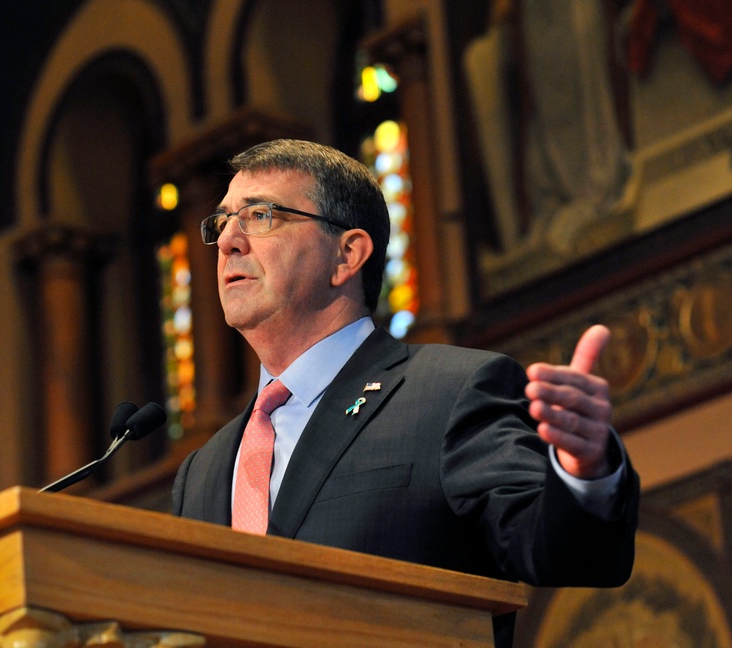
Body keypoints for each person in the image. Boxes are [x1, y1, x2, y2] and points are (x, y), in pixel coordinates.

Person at [171, 139, 639, 647]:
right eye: (221, 223)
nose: (229, 241)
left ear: (347, 254)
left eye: (261, 216)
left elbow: (556, 550)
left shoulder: (448, 393)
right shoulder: (203, 472)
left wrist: (584, 473)